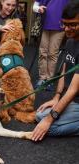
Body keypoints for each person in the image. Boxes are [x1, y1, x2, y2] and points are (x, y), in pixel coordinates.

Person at [32, 1, 79, 141]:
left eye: (73, 25)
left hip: (76, 98)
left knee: (49, 127)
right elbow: (64, 72)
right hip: (74, 100)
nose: (67, 29)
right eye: (64, 24)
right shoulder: (70, 41)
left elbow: (73, 90)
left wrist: (50, 118)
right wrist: (56, 97)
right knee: (39, 116)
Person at [33, 0, 69, 91]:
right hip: (44, 25)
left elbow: (71, 8)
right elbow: (34, 6)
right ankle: (42, 78)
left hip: (59, 26)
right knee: (43, 52)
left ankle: (49, 80)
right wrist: (38, 8)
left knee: (53, 53)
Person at [0, 0, 21, 71]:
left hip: (6, 46)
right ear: (2, 2)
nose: (10, 8)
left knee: (6, 68)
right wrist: (0, 28)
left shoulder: (15, 14)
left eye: (13, 5)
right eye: (8, 4)